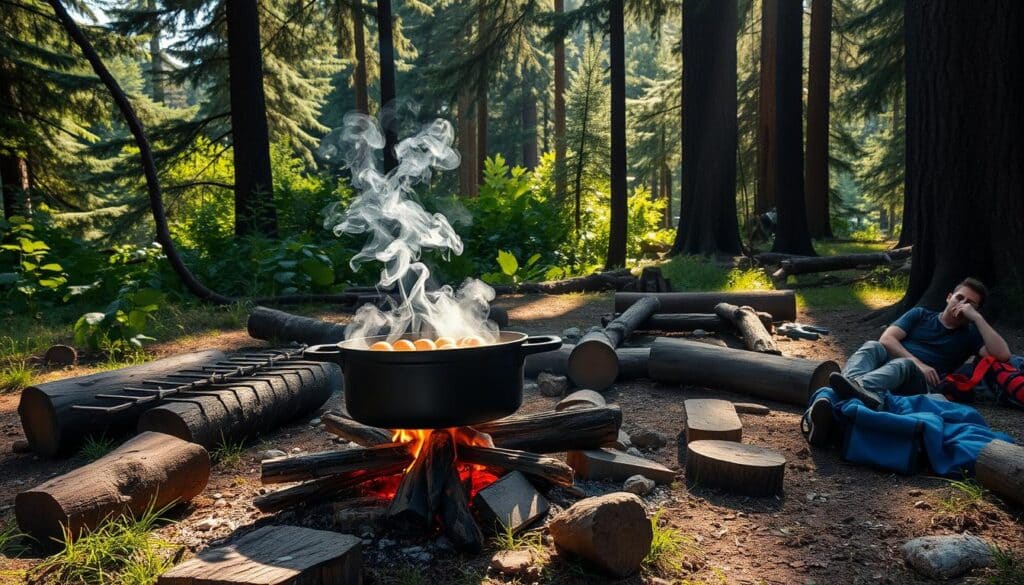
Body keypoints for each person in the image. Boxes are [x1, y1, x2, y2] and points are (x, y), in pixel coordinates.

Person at [829, 277, 1011, 409]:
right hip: (892, 367)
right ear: (949, 297)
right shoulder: (920, 315)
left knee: (903, 364)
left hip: (920, 383)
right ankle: (852, 386)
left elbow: (1003, 354)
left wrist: (977, 318)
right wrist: (920, 364)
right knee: (872, 345)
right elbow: (886, 339)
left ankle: (849, 390)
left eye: (970, 303)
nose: (962, 304)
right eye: (959, 298)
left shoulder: (970, 335)